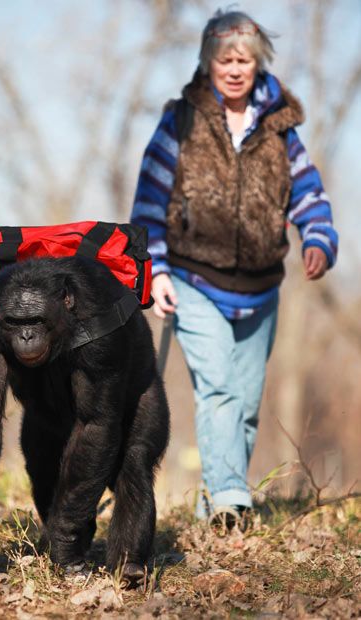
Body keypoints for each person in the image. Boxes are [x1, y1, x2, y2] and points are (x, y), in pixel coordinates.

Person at [130, 9, 338, 530]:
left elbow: (309, 195)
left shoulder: (280, 128)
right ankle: (229, 500)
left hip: (262, 289)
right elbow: (149, 204)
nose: (235, 68)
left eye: (244, 58)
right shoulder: (181, 121)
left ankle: (215, 501)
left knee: (244, 405)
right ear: (208, 62)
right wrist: (153, 273)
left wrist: (317, 238)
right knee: (218, 388)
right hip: (194, 280)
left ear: (258, 62)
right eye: (225, 58)